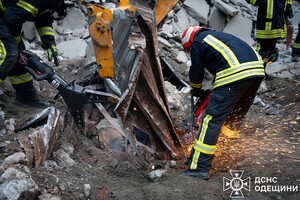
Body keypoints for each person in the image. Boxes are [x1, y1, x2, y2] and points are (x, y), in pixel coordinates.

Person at [180, 26, 265, 179]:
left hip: (235, 73)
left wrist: (196, 89)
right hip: (256, 72)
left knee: (211, 119)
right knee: (234, 118)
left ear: (189, 42)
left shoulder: (198, 41)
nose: (189, 53)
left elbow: (196, 71)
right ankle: (228, 156)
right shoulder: (219, 37)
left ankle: (198, 168)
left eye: (188, 50)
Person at [0, 0, 65, 108]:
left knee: (21, 57)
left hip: (7, 17)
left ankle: (26, 98)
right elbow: (11, 17)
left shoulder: (47, 3)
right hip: (5, 17)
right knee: (9, 53)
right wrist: (17, 46)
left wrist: (50, 44)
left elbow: (43, 18)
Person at [246, 0, 293, 65]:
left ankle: (266, 62)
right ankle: (258, 64)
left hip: (276, 25)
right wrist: (260, 2)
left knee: (271, 47)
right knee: (262, 49)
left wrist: (288, 7)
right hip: (264, 26)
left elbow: (288, 2)